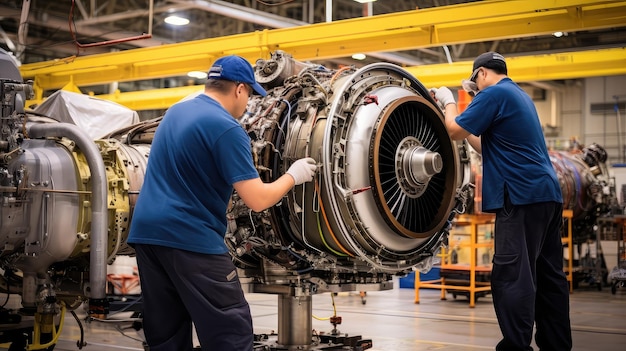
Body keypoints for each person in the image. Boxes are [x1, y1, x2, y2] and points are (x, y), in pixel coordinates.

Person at [127, 55, 317, 351]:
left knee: (165, 333)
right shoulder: (227, 128)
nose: (248, 104)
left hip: (147, 236)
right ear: (239, 89)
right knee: (230, 331)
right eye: (250, 94)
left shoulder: (175, 112)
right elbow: (257, 200)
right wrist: (294, 175)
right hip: (190, 238)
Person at [431, 52, 572, 351]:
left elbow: (454, 130)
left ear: (481, 73)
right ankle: (557, 345)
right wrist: (470, 108)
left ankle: (516, 347)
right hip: (546, 195)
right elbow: (485, 144)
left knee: (512, 274)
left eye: (476, 83)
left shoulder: (493, 93)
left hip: (519, 196)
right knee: (548, 277)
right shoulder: (519, 95)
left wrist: (449, 103)